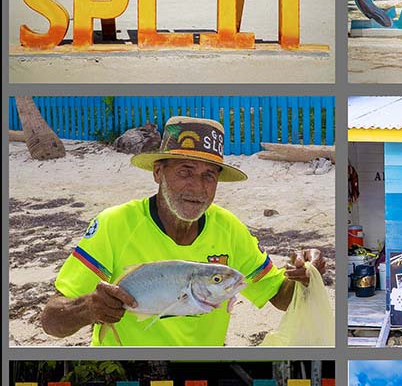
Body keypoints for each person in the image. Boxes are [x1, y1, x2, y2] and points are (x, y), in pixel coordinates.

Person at [39, 116, 328, 346]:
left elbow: (280, 298)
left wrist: (303, 273)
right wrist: (87, 308)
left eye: (208, 176)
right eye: (185, 172)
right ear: (158, 172)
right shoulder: (114, 225)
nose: (197, 188)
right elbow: (51, 321)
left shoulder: (230, 230)